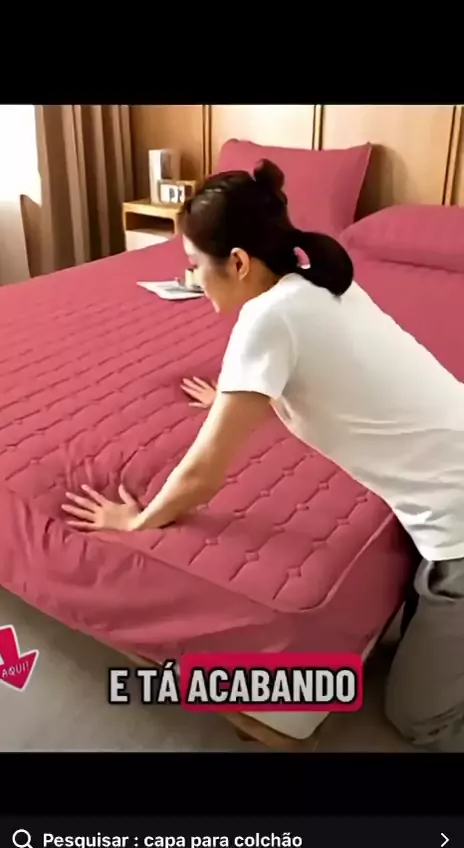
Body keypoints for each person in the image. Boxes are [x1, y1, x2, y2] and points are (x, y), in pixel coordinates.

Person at [62, 159, 464, 752]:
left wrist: (136, 520)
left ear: (239, 262)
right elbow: (328, 375)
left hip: (458, 521)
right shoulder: (318, 284)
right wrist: (237, 396)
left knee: (418, 720)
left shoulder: (269, 320)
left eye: (194, 263)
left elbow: (202, 474)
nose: (191, 278)